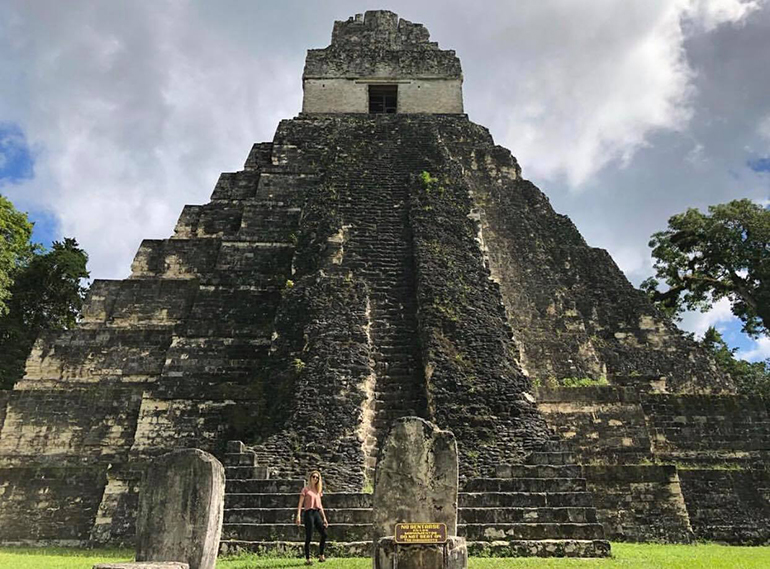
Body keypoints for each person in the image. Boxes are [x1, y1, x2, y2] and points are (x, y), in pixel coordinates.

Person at [296, 469, 328, 564]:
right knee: (309, 536)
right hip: (308, 513)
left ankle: (321, 555)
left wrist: (324, 518)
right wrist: (298, 515)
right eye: (313, 476)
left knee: (324, 534)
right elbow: (300, 503)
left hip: (316, 513)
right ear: (310, 478)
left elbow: (320, 505)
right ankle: (308, 559)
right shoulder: (305, 489)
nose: (315, 478)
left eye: (317, 477)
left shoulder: (318, 490)